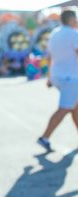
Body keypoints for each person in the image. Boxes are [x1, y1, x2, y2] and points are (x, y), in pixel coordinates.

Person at [37, 9, 78, 152]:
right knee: (65, 108)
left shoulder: (54, 34)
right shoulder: (74, 34)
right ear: (71, 19)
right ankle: (44, 137)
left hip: (58, 75)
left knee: (75, 107)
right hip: (71, 78)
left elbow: (49, 57)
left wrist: (49, 77)